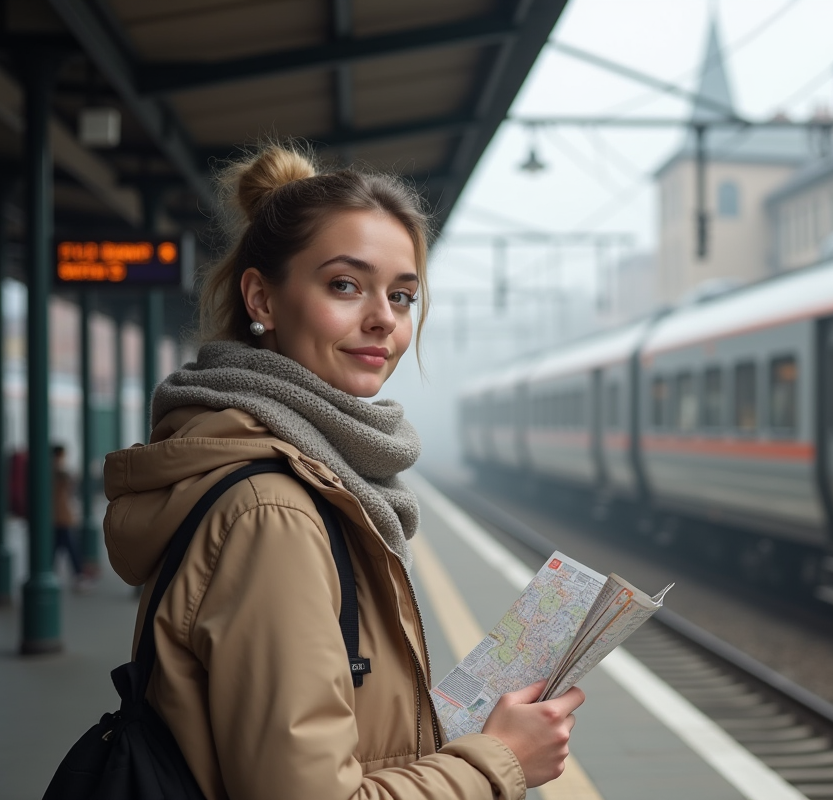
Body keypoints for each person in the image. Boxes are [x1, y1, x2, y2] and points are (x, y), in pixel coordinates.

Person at [102, 143, 583, 800]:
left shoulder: (300, 479)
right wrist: (498, 761)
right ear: (261, 299)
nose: (384, 318)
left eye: (403, 295)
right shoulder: (274, 515)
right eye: (345, 285)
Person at [52, 444, 92, 593]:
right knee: (71, 548)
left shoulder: (51, 471)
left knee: (60, 548)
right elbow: (69, 481)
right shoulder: (57, 471)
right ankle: (79, 576)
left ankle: (76, 575)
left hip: (58, 518)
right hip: (61, 517)